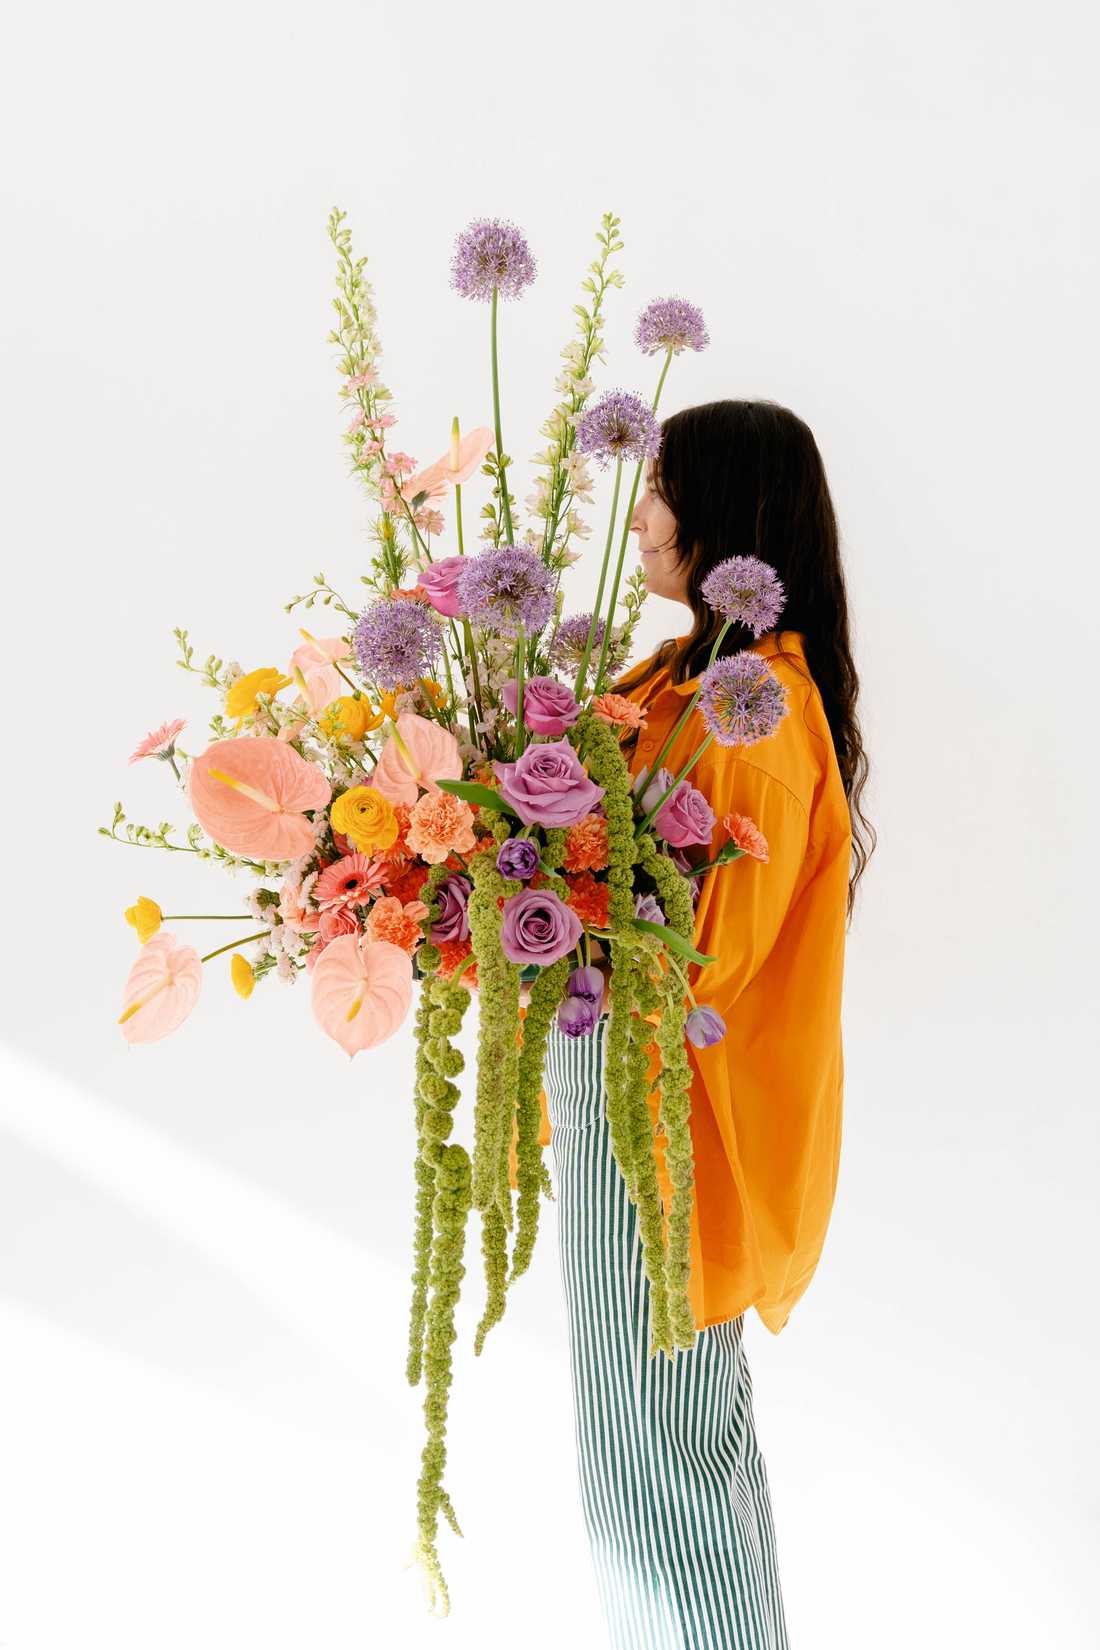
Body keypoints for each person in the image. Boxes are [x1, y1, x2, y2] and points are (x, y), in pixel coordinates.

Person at [538, 399, 875, 1649]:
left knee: (654, 1468)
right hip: (628, 1108)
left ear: (726, 510)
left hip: (666, 1124)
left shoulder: (755, 709)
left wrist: (526, 904)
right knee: (669, 1453)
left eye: (664, 488)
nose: (641, 516)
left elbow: (701, 955)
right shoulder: (678, 679)